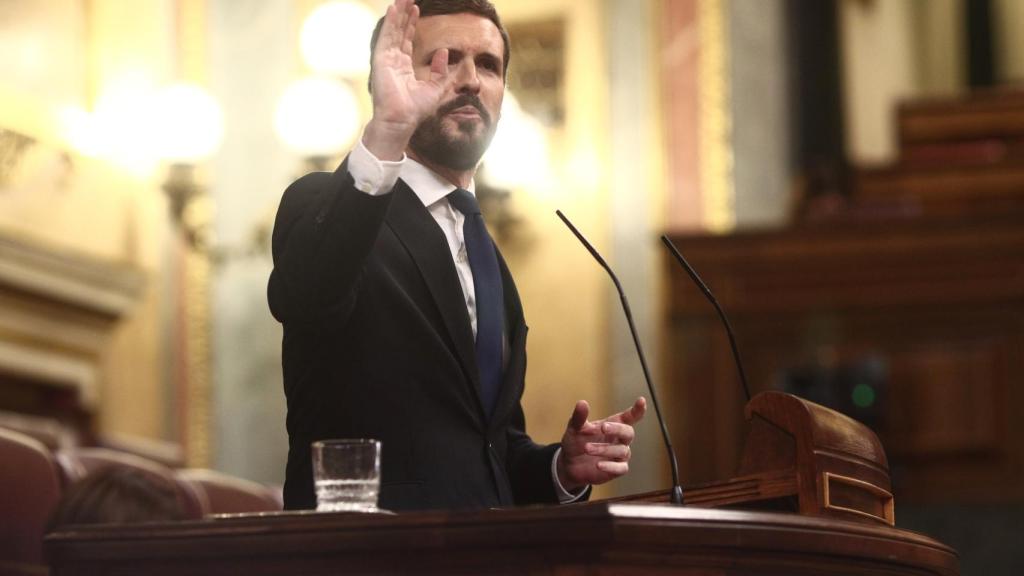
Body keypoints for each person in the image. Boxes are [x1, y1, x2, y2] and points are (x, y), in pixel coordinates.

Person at [268, 0, 646, 512]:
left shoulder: (485, 251)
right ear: (387, 80)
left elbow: (490, 448)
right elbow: (310, 295)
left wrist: (560, 468)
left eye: (488, 65)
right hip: (364, 552)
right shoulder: (325, 203)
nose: (469, 80)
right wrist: (389, 128)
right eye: (443, 60)